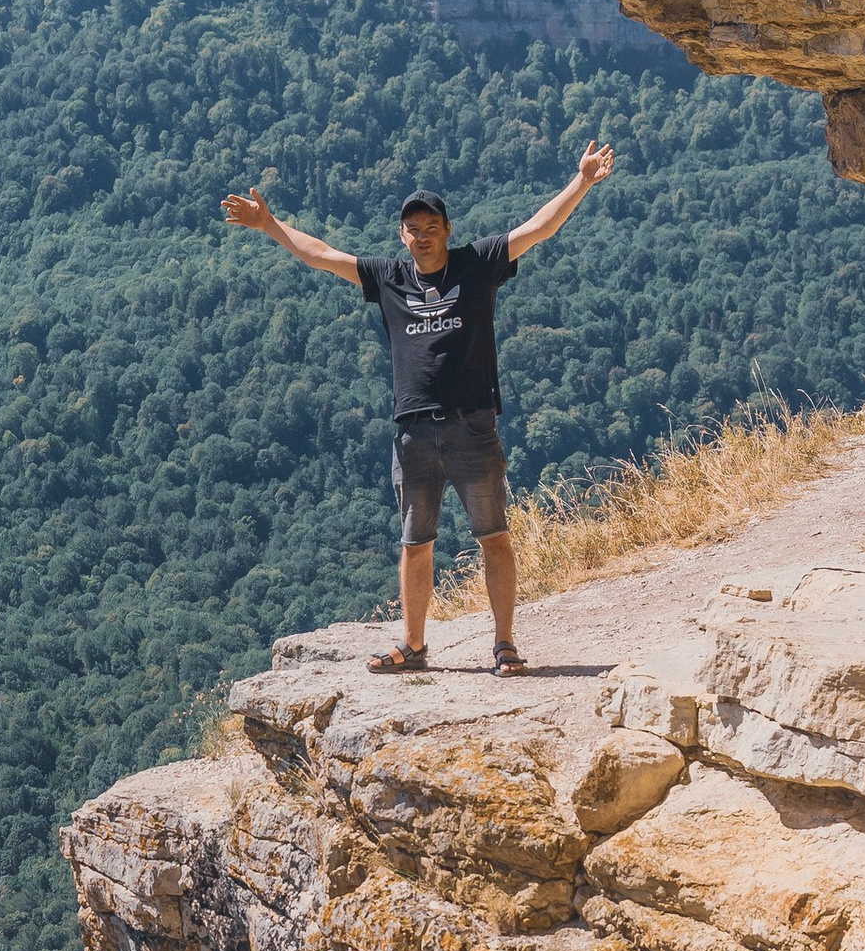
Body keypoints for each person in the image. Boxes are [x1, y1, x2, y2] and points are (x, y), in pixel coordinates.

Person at [220, 144, 616, 673]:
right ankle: (412, 645)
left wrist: (582, 181)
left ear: (447, 230)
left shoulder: (477, 265)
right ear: (401, 237)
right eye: (412, 228)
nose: (422, 234)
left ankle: (504, 646)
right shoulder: (389, 278)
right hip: (413, 434)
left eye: (431, 225)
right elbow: (322, 254)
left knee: (494, 537)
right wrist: (270, 224)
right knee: (415, 543)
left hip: (474, 425)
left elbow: (539, 227)